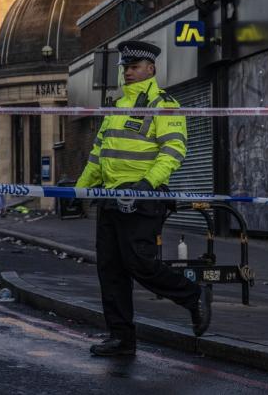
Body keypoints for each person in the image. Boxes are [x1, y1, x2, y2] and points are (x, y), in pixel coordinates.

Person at [75, 40, 211, 356]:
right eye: (125, 67)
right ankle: (121, 339)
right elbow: (99, 155)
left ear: (150, 69)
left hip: (143, 197)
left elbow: (173, 151)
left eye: (134, 67)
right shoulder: (117, 108)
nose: (128, 73)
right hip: (110, 199)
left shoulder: (164, 105)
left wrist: (146, 185)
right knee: (110, 270)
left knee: (140, 263)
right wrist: (78, 189)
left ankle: (194, 296)